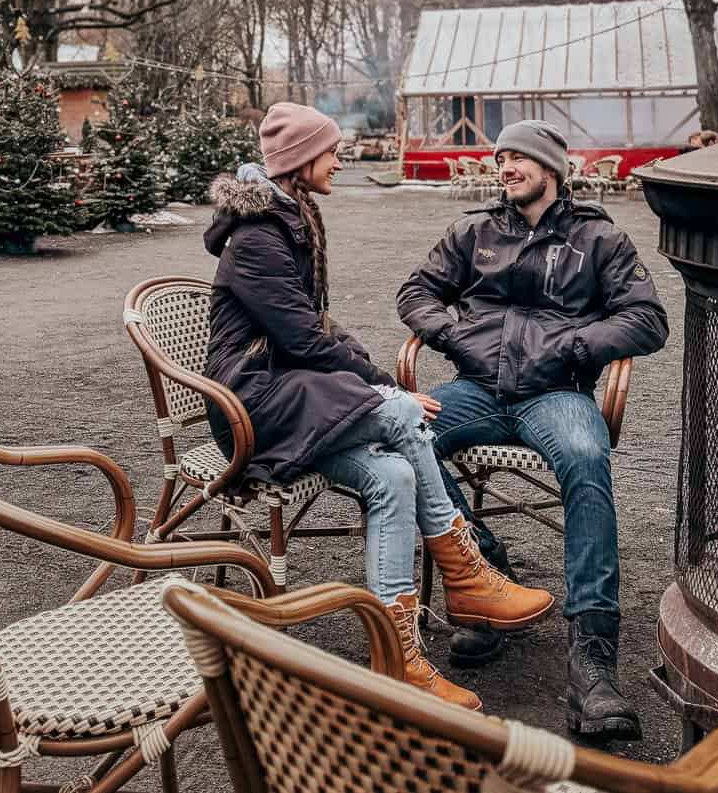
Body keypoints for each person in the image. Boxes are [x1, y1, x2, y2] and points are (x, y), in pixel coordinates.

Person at [203, 101, 554, 710]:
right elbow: (301, 338)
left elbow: (317, 328)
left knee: (392, 474)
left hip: (295, 392)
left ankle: (398, 659)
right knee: (401, 413)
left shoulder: (295, 216)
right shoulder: (257, 236)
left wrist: (364, 367)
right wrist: (384, 387)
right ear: (299, 160)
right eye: (332, 151)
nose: (341, 161)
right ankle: (467, 574)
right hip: (254, 400)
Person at [397, 119, 669, 742]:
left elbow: (647, 320)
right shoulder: (473, 231)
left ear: (551, 168)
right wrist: (450, 332)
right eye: (502, 157)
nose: (506, 166)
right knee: (404, 437)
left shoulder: (598, 238)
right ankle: (484, 578)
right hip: (474, 390)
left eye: (519, 157)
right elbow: (416, 291)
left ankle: (593, 661)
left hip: (556, 394)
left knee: (584, 459)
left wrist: (574, 346)